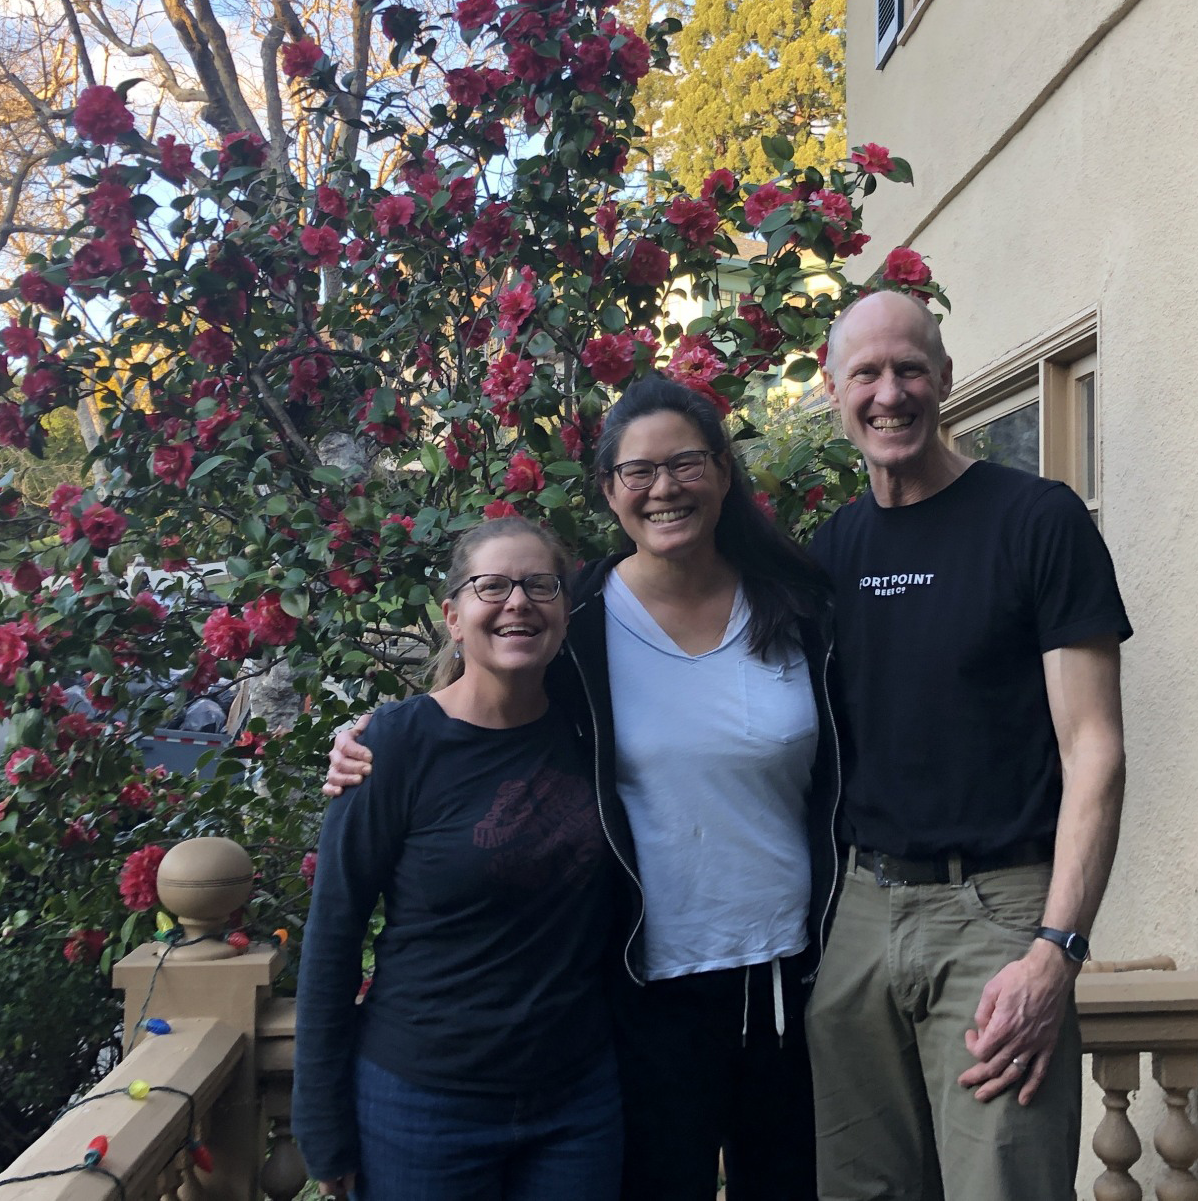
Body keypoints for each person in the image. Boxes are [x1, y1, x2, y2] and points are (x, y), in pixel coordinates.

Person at [325, 374, 839, 1201]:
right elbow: (489, 700)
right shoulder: (580, 620)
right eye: (638, 470)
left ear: (723, 470)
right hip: (643, 987)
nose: (663, 487)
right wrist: (369, 738)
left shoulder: (799, 607)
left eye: (686, 463)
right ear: (608, 489)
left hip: (794, 980)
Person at [805, 290, 1131, 1201]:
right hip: (862, 911)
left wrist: (1054, 948)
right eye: (865, 373)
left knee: (1004, 1184)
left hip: (998, 912)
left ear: (945, 379)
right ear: (835, 391)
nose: (890, 392)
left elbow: (1094, 750)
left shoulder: (1036, 519)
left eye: (910, 367)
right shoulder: (833, 549)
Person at [293, 517, 621, 1201]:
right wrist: (322, 1125)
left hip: (576, 1100)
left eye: (540, 584)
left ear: (564, 607)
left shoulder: (595, 728)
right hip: (422, 1101)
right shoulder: (393, 747)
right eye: (492, 585)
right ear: (452, 615)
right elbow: (332, 938)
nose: (518, 602)